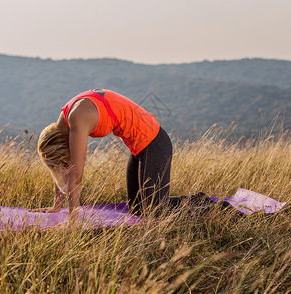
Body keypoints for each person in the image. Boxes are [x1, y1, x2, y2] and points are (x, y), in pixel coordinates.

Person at [31, 89, 187, 218]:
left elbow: (75, 176)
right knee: (136, 208)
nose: (66, 161)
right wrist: (56, 206)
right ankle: (187, 201)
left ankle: (205, 206)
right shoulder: (64, 120)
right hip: (138, 150)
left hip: (155, 144)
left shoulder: (77, 118)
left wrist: (72, 223)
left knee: (155, 212)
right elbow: (62, 166)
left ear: (60, 146)